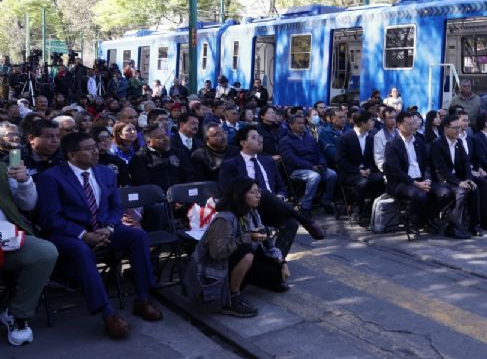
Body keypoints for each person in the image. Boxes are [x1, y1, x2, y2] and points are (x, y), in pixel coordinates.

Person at [37, 132, 163, 340]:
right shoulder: (50, 178)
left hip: (105, 228)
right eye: (88, 148)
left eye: (95, 146)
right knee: (80, 250)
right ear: (72, 155)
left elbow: (116, 206)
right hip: (69, 233)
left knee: (137, 236)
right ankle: (107, 313)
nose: (95, 150)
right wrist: (83, 235)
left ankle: (143, 299)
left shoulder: (105, 173)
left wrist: (110, 228)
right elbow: (50, 219)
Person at [184, 177, 295, 315]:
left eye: (259, 192)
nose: (258, 195)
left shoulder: (251, 213)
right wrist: (247, 237)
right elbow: (217, 253)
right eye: (253, 192)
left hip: (231, 259)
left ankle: (248, 278)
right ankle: (231, 298)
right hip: (215, 268)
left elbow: (266, 242)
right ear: (240, 195)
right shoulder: (224, 219)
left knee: (276, 274)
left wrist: (281, 261)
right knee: (247, 252)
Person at [219, 126, 326, 242]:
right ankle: (307, 222)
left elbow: (280, 186)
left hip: (272, 206)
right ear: (243, 143)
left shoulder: (268, 161)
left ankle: (278, 258)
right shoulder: (230, 165)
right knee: (260, 191)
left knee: (291, 224)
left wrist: (280, 197)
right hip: (247, 208)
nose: (260, 140)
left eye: (260, 137)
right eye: (254, 138)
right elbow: (228, 191)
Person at [0, 159, 59, 346]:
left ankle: (18, 314)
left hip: (5, 237)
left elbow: (27, 204)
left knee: (45, 252)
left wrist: (24, 181)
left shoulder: (3, 169)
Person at [279, 114, 338, 215]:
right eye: (299, 123)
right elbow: (292, 160)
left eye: (303, 123)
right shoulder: (285, 141)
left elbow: (319, 152)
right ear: (291, 125)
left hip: (315, 167)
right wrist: (311, 167)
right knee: (314, 177)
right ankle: (305, 206)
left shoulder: (310, 137)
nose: (302, 125)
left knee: (332, 175)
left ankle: (325, 201)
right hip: (296, 170)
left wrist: (322, 163)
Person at [430, 114, 477, 239]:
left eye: (460, 128)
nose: (458, 131)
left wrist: (468, 178)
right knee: (461, 191)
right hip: (441, 179)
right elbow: (441, 169)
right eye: (455, 128)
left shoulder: (459, 142)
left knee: (476, 186)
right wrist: (458, 182)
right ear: (445, 128)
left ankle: (475, 223)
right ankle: (453, 227)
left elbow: (466, 162)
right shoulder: (437, 144)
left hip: (455, 177)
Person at [336, 110, 386, 224]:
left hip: (367, 172)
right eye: (370, 120)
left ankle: (371, 208)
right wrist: (358, 171)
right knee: (362, 183)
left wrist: (369, 168)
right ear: (363, 123)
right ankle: (356, 210)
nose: (373, 122)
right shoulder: (346, 138)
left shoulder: (370, 137)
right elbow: (340, 161)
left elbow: (372, 158)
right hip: (349, 173)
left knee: (381, 179)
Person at [373, 107, 399, 171]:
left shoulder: (400, 132)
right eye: (390, 118)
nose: (393, 120)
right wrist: (386, 172)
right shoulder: (379, 136)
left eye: (394, 117)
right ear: (383, 119)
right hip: (388, 170)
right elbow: (379, 159)